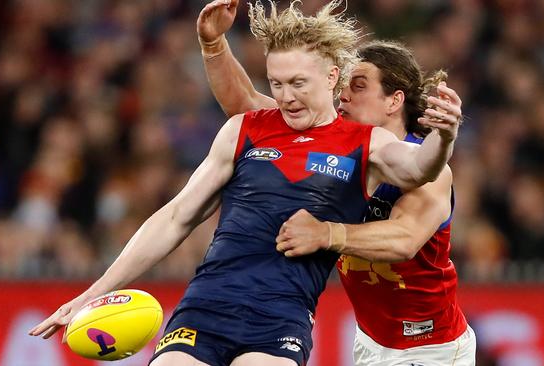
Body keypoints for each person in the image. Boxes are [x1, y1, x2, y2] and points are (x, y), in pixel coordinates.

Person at [29, 1, 460, 366]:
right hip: (203, 307)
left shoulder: (366, 144)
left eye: (298, 84)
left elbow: (419, 167)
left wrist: (444, 135)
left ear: (331, 79)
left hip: (280, 319)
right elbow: (176, 217)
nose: (287, 96)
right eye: (276, 83)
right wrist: (93, 292)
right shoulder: (246, 129)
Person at [197, 0, 475, 365]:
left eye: (358, 86)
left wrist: (328, 233)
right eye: (343, 83)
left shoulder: (422, 167)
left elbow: (405, 240)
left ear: (394, 100)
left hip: (429, 347)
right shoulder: (333, 143)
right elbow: (246, 103)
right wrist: (215, 44)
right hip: (370, 340)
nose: (343, 95)